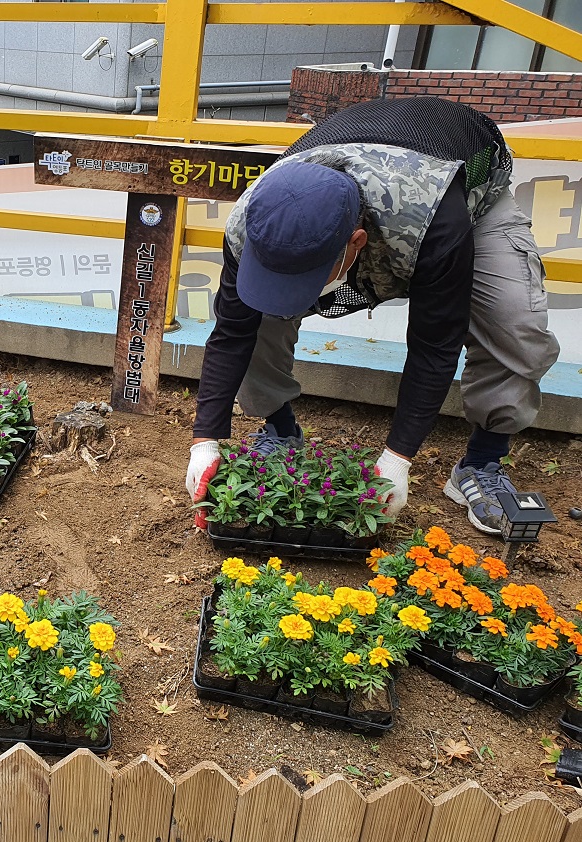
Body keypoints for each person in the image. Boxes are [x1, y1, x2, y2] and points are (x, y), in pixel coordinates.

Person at [184, 97, 560, 535]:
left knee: (514, 319)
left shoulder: (437, 219)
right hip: (353, 156)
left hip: (462, 190)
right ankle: (279, 430)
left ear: (356, 244)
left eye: (308, 277)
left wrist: (397, 459)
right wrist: (204, 439)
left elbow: (435, 345)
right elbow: (233, 332)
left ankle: (481, 462)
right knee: (262, 311)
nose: (295, 291)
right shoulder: (255, 219)